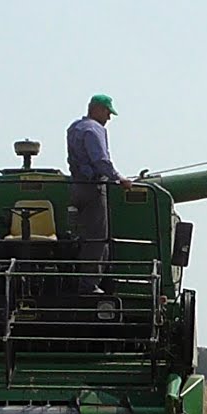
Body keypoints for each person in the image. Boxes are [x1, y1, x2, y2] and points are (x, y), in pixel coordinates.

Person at [66, 94, 132, 294]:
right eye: (107, 112)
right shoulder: (94, 130)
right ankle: (89, 285)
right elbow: (101, 161)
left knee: (84, 236)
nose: (108, 118)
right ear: (96, 109)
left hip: (76, 186)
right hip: (93, 187)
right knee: (98, 239)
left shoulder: (74, 127)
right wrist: (119, 178)